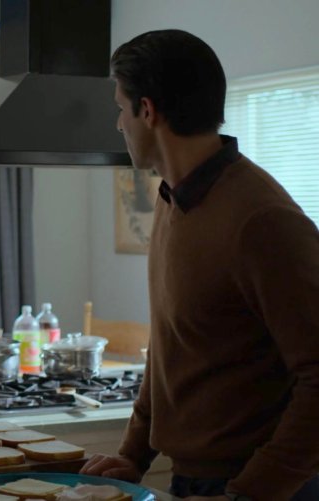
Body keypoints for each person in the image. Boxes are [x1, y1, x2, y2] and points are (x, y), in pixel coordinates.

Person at [79, 29, 319, 500]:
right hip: (197, 479)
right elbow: (171, 346)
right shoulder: (174, 200)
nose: (118, 125)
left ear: (147, 111)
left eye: (120, 110)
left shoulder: (261, 220)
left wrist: (250, 492)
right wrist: (133, 454)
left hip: (261, 484)